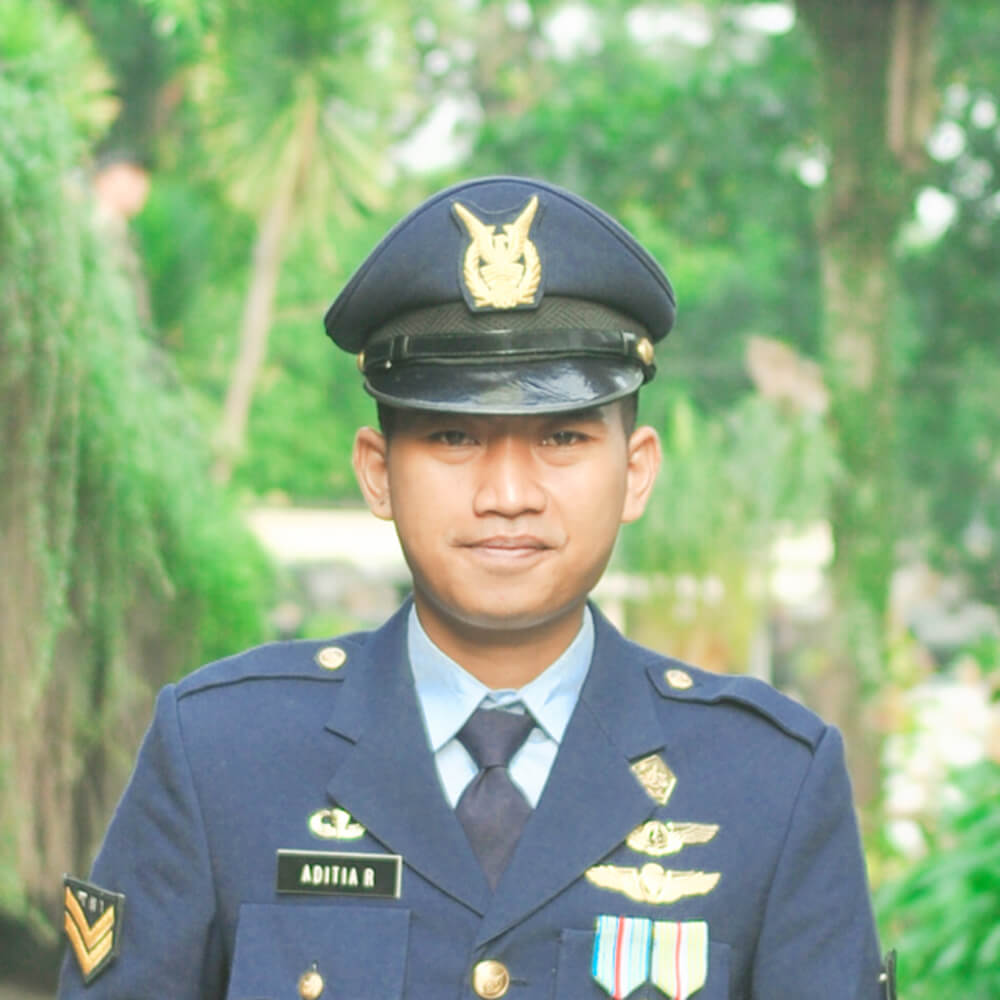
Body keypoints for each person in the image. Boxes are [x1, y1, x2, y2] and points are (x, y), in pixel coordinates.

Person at [58, 176, 894, 999]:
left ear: (636, 473)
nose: (507, 493)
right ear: (377, 472)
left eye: (562, 438)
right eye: (454, 437)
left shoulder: (769, 785)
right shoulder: (222, 756)